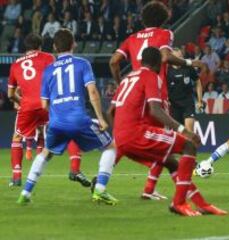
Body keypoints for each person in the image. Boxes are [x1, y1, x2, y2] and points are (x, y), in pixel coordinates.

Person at [108, 1, 206, 201]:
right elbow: (164, 57)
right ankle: (168, 193)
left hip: (133, 94)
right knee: (165, 145)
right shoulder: (165, 34)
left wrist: (121, 84)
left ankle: (103, 177)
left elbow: (113, 61)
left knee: (125, 140)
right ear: (164, 19)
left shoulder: (132, 37)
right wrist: (189, 62)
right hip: (154, 92)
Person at [112, 47, 227, 216]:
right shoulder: (150, 76)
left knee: (171, 162)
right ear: (158, 62)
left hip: (120, 137)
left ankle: (201, 204)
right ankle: (179, 203)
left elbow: (111, 111)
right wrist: (184, 131)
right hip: (136, 133)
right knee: (189, 146)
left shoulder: (127, 78)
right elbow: (155, 110)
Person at [17, 29, 117, 205]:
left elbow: (43, 104)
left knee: (46, 153)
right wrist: (101, 118)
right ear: (74, 44)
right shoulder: (82, 63)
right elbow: (92, 92)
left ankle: (25, 193)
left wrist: (58, 110)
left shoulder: (48, 70)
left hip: (56, 122)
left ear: (55, 47)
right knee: (111, 147)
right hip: (79, 119)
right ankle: (100, 190)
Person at [7, 33, 90, 188]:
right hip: (49, 103)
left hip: (27, 107)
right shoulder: (48, 57)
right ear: (40, 46)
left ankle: (17, 176)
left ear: (26, 47)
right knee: (69, 129)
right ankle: (74, 168)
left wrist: (21, 101)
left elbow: (10, 94)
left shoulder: (15, 64)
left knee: (17, 138)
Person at [167, 48, 203, 131]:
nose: (181, 59)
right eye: (178, 57)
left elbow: (197, 82)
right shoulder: (166, 70)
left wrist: (199, 100)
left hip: (188, 104)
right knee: (179, 133)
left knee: (189, 131)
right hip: (174, 105)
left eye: (181, 56)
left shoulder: (188, 67)